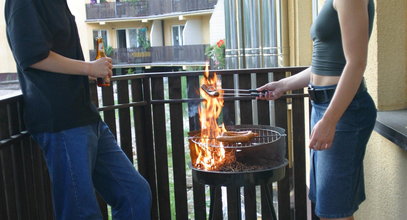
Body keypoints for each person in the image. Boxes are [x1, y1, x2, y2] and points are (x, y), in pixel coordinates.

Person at [5, 0, 152, 219]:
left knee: (135, 193)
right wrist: (88, 68)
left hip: (85, 116)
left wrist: (89, 71)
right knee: (80, 212)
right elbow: (32, 56)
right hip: (60, 121)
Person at [257, 0, 376, 219]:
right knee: (329, 203)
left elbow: (357, 63)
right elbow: (323, 64)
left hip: (343, 111)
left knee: (334, 210)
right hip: (325, 107)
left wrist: (330, 120)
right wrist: (283, 85)